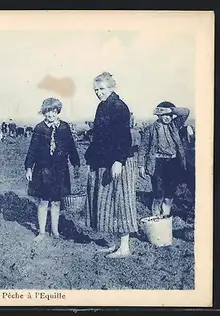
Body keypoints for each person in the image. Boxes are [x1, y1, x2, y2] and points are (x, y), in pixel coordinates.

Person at [84, 72, 137, 258]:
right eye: (96, 90)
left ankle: (124, 247)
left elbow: (124, 138)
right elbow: (99, 136)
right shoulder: (102, 106)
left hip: (118, 162)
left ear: (111, 87)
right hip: (104, 161)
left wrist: (118, 161)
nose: (98, 93)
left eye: (102, 89)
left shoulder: (119, 107)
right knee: (108, 203)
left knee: (121, 202)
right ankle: (114, 244)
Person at [24, 97, 80, 242]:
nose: (50, 115)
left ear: (58, 111)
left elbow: (71, 147)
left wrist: (76, 164)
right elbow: (32, 150)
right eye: (47, 112)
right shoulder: (39, 128)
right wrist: (29, 167)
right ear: (44, 112)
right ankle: (41, 232)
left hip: (60, 170)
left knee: (56, 201)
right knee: (43, 201)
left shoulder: (64, 127)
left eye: (53, 111)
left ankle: (55, 231)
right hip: (43, 170)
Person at [138, 101, 190, 216]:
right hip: (157, 163)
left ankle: (165, 217)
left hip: (173, 162)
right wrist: (141, 166)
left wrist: (171, 110)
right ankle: (156, 217)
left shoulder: (175, 125)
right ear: (159, 115)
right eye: (164, 115)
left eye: (169, 115)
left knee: (170, 193)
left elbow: (186, 112)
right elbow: (143, 148)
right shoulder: (150, 129)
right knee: (158, 193)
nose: (167, 118)